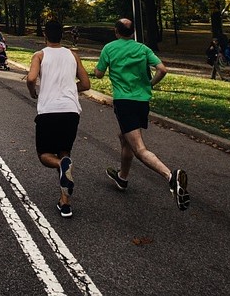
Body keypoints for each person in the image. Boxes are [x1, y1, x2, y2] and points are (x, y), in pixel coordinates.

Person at [94, 18, 190, 211]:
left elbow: (98, 74)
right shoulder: (143, 49)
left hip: (124, 102)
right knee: (124, 138)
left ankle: (170, 177)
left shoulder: (109, 48)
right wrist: (150, 84)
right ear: (133, 32)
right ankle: (122, 178)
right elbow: (162, 69)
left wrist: (101, 69)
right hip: (142, 101)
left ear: (116, 31)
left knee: (139, 148)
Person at [25, 19, 91, 219]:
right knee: (65, 154)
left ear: (44, 35)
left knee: (45, 154)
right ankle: (65, 203)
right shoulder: (73, 55)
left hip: (49, 111)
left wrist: (33, 92)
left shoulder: (40, 55)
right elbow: (86, 84)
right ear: (62, 35)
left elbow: (30, 78)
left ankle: (59, 167)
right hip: (71, 111)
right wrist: (71, 90)